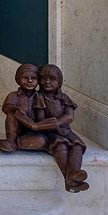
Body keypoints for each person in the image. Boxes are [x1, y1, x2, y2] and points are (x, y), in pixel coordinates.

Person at [34, 63, 89, 192]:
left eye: (52, 79)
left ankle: (73, 175)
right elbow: (41, 119)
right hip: (49, 132)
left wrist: (58, 123)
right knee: (61, 146)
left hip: (65, 130)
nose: (47, 82)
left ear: (59, 81)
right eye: (43, 78)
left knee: (77, 146)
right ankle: (70, 179)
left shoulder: (63, 98)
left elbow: (69, 116)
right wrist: (53, 125)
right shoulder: (39, 97)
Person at [0, 63, 48, 153]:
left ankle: (17, 144)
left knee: (41, 140)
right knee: (11, 115)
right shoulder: (14, 95)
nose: (30, 81)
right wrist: (16, 109)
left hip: (33, 130)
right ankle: (11, 140)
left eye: (34, 78)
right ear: (18, 79)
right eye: (25, 78)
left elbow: (42, 117)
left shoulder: (39, 97)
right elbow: (6, 108)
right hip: (18, 128)